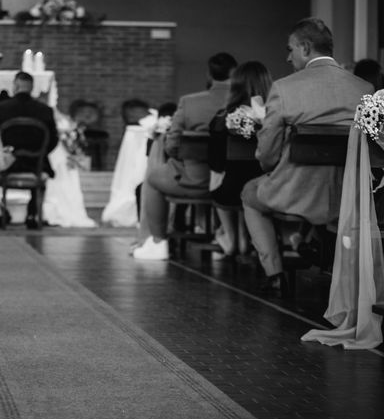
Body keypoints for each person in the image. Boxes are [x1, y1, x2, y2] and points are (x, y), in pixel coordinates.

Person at [241, 17, 372, 295]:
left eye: (290, 49)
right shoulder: (364, 89)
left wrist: (269, 167)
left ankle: (275, 274)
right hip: (348, 195)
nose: (288, 57)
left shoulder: (285, 88)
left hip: (295, 191)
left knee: (250, 193)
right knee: (325, 202)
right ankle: (313, 244)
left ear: (305, 47)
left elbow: (267, 149)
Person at [132, 52, 237, 260]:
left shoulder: (190, 103)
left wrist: (179, 159)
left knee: (152, 180)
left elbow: (172, 144)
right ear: (235, 73)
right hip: (234, 182)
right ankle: (227, 236)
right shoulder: (243, 102)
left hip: (197, 180)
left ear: (209, 74)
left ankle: (158, 242)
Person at [208, 61, 272, 258]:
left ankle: (231, 236)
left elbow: (216, 163)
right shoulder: (274, 115)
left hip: (230, 189)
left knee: (220, 184)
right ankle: (248, 237)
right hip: (267, 188)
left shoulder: (223, 118)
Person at [0, 71, 58, 229]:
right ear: (32, 88)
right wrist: (40, 154)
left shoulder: (0, 108)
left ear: (15, 86)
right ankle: (32, 213)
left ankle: (0, 212)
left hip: (7, 164)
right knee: (43, 168)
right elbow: (53, 140)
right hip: (36, 164)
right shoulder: (45, 110)